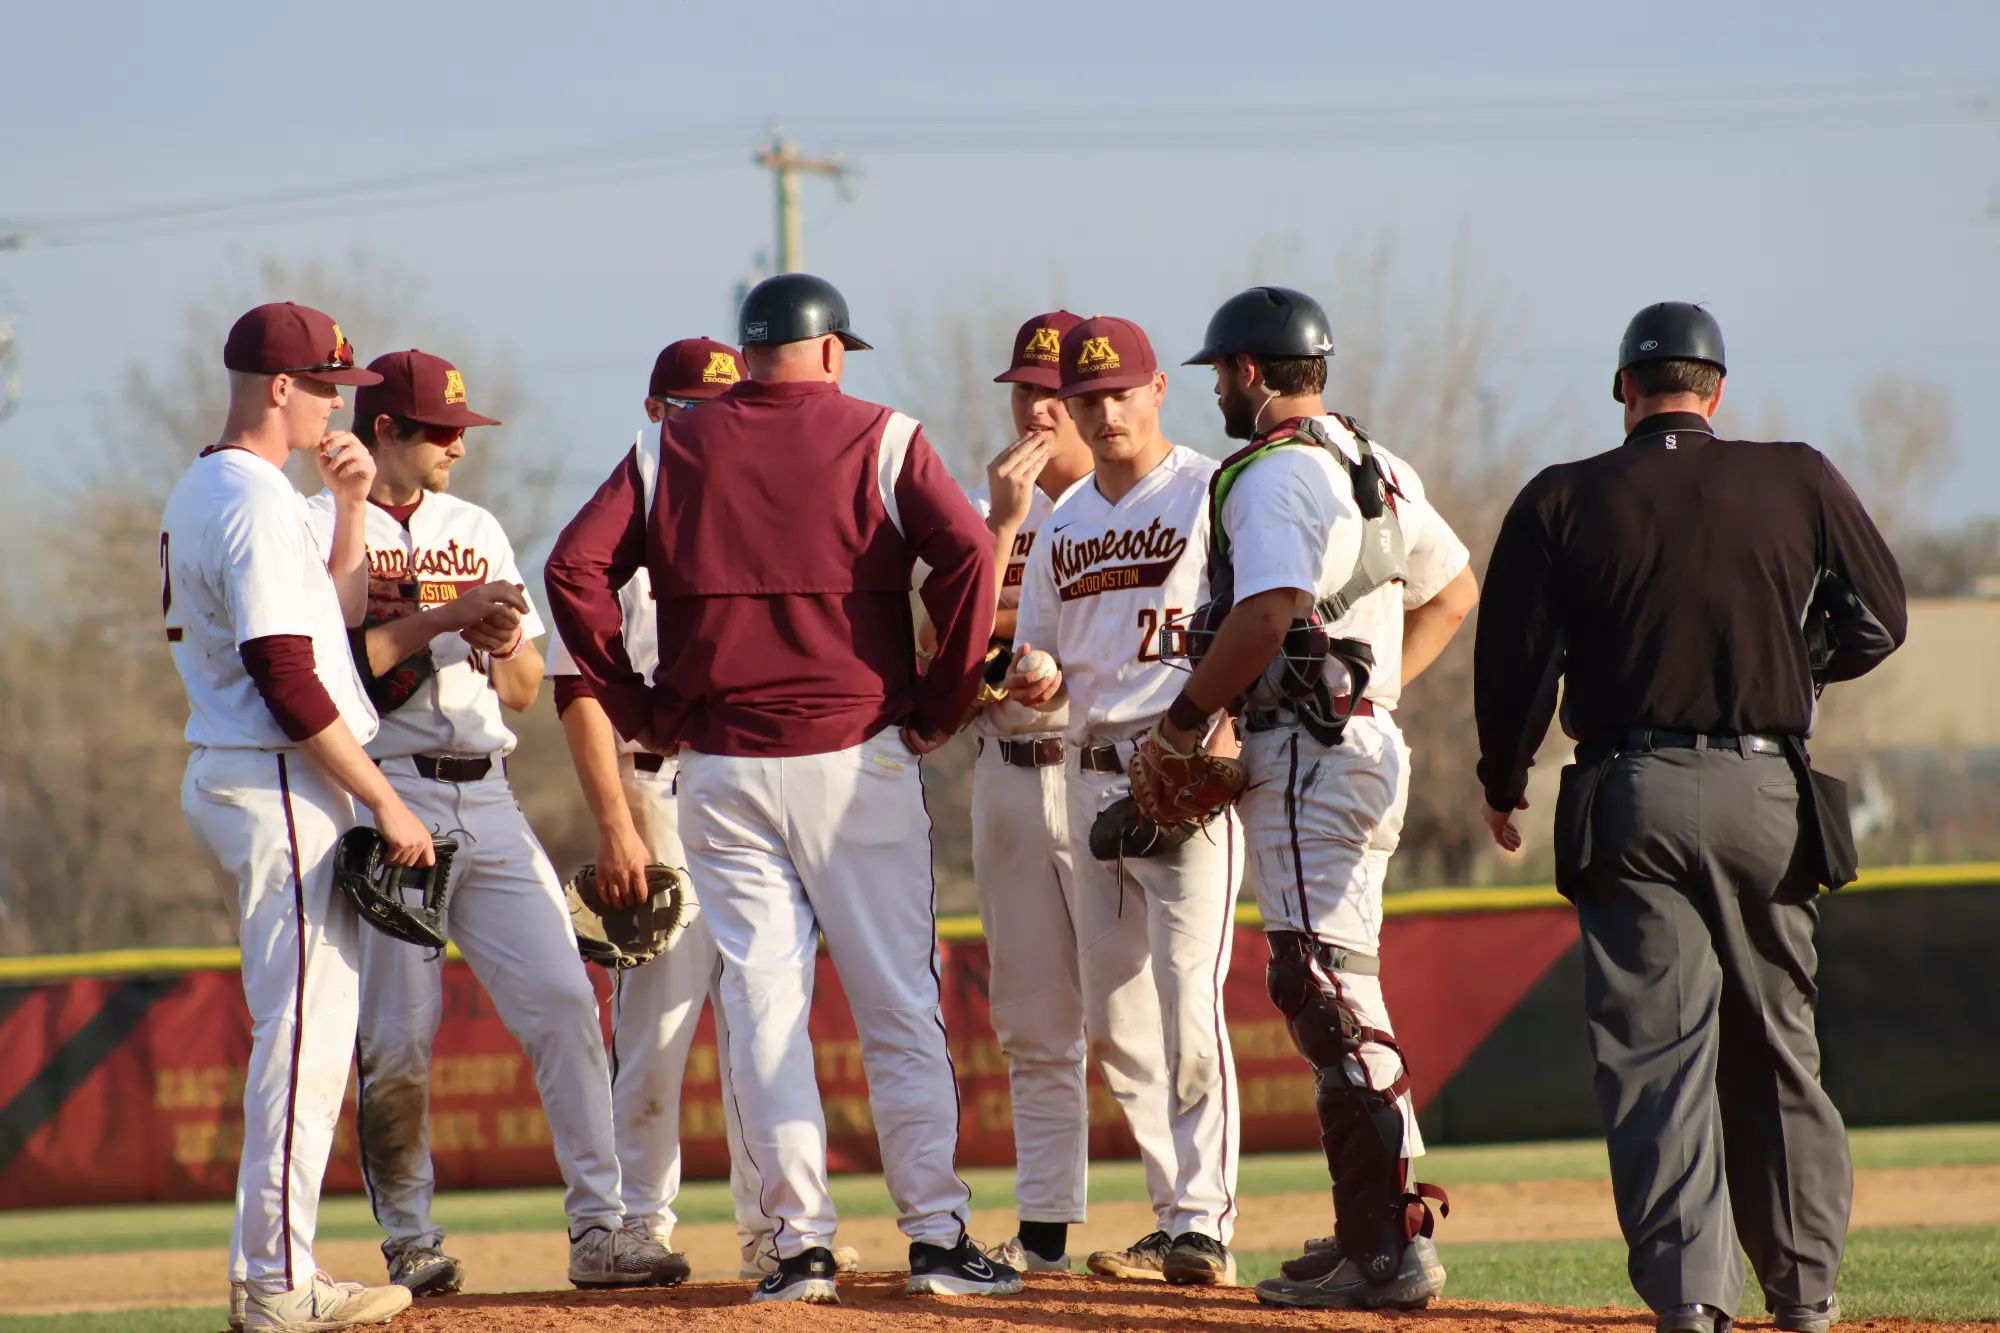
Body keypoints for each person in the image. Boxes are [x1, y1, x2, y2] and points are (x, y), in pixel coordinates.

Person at [543, 273, 1018, 1304]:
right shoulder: (884, 436)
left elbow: (573, 569)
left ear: (748, 354)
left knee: (763, 1006)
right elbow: (970, 558)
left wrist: (639, 706)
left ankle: (798, 1249)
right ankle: (936, 1239)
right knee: (897, 1002)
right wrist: (941, 701)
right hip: (856, 758)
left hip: (720, 765)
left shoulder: (668, 447)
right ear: (831, 350)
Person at [1472, 302, 1905, 1333]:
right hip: (1766, 790)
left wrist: (1502, 775)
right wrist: (1793, 664)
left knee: (1656, 1056)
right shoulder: (1796, 474)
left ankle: (1690, 1299)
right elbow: (1880, 616)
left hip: (1633, 793)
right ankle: (1804, 1296)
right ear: (1716, 391)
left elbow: (1517, 660)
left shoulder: (1562, 494)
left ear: (1624, 389)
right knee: (1779, 1048)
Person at [300, 348, 688, 1298]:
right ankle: (411, 1240)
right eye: (442, 431)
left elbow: (520, 688)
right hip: (389, 792)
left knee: (565, 1001)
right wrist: (446, 617)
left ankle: (601, 1230)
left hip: (489, 792)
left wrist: (503, 631)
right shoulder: (319, 523)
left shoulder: (474, 527)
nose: (458, 448)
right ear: (384, 427)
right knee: (398, 1035)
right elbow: (331, 672)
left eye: (462, 431)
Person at [1165, 286, 1478, 1311]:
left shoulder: (1273, 471)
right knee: (1343, 984)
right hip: (1359, 745)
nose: (1217, 387)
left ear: (1250, 370)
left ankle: (1384, 1246)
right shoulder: (1374, 462)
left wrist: (1181, 724)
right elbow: (1453, 592)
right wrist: (1372, 695)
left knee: (1320, 987)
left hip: (1310, 755)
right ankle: (1372, 1222)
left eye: (1220, 370)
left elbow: (1267, 613)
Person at [544, 337, 861, 1277]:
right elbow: (579, 695)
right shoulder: (621, 535)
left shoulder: (738, 523)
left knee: (765, 1017)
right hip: (654, 796)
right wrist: (617, 826)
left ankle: (773, 1228)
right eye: (688, 407)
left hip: (744, 785)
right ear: (654, 413)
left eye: (723, 403)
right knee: (655, 1028)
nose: (707, 421)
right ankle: (636, 1223)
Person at [162, 302, 422, 1332]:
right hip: (276, 778)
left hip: (249, 772)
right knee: (305, 1035)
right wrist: (385, 798)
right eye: (326, 387)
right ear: (280, 387)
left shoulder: (217, 484)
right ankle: (276, 1282)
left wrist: (348, 508)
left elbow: (328, 622)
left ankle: (272, 1271)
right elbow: (285, 672)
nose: (336, 407)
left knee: (306, 1029)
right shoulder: (254, 499)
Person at [1004, 314, 1244, 1288]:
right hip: (1090, 772)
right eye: (1087, 398)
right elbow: (1043, 652)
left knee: (1190, 1000)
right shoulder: (1062, 523)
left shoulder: (1209, 490)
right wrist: (1032, 673)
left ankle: (1203, 1224)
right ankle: (1172, 1216)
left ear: (1157, 391)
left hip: (1181, 765)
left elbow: (1260, 621)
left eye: (1120, 392)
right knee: (1115, 1023)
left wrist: (1224, 730)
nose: (1105, 412)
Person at [962, 311, 1095, 1274]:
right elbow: (940, 652)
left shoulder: (1139, 503)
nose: (1035, 410)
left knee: (1143, 1017)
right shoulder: (979, 514)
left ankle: (1191, 1226)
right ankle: (1044, 1236)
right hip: (1006, 774)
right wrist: (1002, 529)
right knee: (1033, 1021)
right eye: (1023, 391)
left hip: (1103, 771)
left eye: (1052, 392)